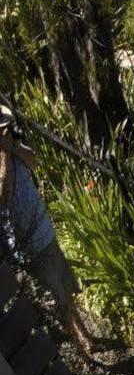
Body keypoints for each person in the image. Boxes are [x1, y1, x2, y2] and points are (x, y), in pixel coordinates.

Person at [0, 110, 95, 356]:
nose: (5, 133)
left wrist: (12, 149)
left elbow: (35, 161)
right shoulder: (2, 163)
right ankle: (80, 347)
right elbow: (4, 194)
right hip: (29, 247)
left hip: (45, 232)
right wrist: (4, 157)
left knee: (66, 286)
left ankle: (84, 332)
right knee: (57, 298)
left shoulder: (15, 149)